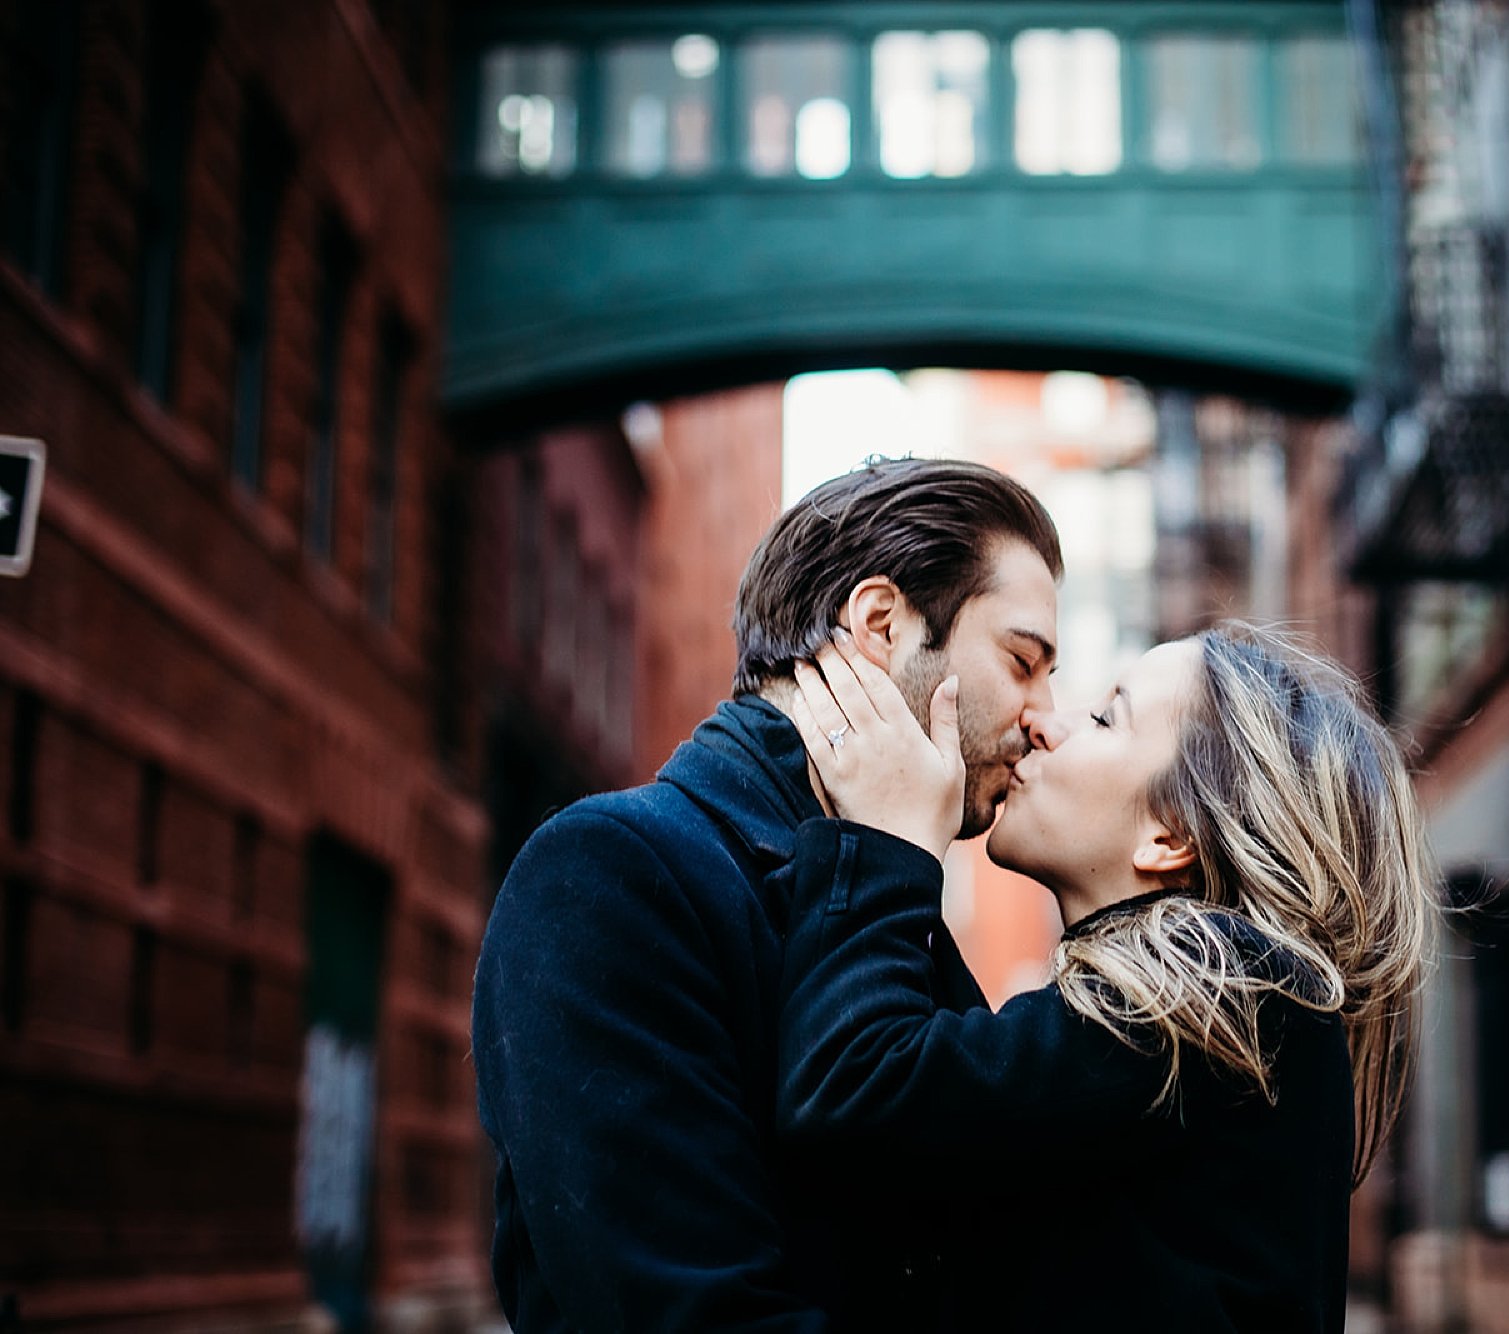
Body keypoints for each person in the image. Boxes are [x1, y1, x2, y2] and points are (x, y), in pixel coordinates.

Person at [471, 457, 1065, 1331]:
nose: (1047, 713)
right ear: (881, 623)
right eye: (1024, 661)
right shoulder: (608, 875)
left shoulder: (889, 904)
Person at [774, 622, 1438, 1333]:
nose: (1043, 725)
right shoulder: (1203, 1016)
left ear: (1171, 835)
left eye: (1102, 717)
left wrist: (884, 841)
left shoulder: (1225, 987)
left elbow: (855, 1085)